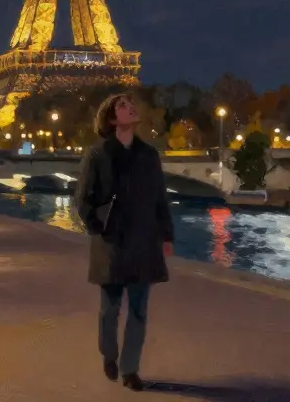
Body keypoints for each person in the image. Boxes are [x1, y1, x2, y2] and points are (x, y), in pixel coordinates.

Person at [74, 92, 175, 392]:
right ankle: (109, 353)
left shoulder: (149, 155)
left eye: (131, 105)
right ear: (111, 118)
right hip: (113, 242)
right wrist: (98, 226)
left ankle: (130, 369)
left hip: (143, 240)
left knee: (140, 310)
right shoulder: (98, 154)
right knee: (110, 309)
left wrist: (166, 235)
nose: (130, 108)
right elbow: (83, 199)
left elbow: (160, 199)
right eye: (122, 106)